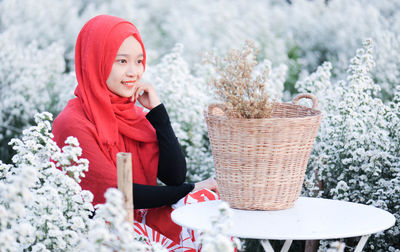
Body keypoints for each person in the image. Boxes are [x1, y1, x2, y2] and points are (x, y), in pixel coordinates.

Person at [52, 14, 219, 251]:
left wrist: (159, 113)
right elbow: (120, 193)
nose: (134, 72)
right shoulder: (72, 123)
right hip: (101, 227)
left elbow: (174, 176)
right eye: (121, 61)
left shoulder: (134, 115)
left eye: (139, 61)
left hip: (139, 215)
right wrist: (192, 188)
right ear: (95, 61)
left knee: (209, 208)